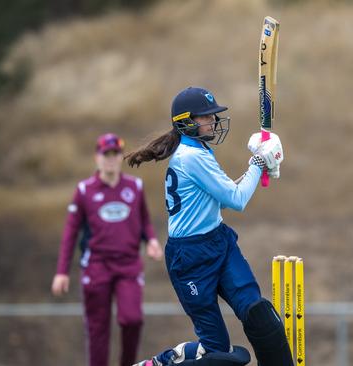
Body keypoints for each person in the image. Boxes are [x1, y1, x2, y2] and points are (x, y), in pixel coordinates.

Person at [125, 86, 291, 366]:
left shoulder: (197, 149)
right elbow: (236, 200)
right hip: (190, 258)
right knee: (220, 355)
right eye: (207, 116)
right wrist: (259, 162)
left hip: (219, 242)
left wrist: (259, 167)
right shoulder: (192, 157)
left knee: (258, 313)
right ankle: (164, 362)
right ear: (187, 121)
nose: (213, 121)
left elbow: (222, 199)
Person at [52, 133, 164, 366]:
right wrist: (62, 272)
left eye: (115, 154)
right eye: (106, 154)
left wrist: (151, 240)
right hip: (96, 267)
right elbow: (70, 233)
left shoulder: (135, 186)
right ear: (97, 157)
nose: (111, 159)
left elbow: (144, 220)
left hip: (128, 265)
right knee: (97, 330)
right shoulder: (85, 190)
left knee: (132, 319)